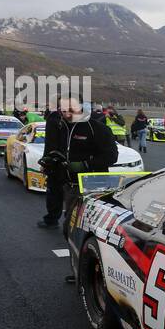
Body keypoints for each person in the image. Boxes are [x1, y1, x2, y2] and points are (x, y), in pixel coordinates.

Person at [37, 98, 119, 239]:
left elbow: (111, 157)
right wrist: (48, 162)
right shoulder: (57, 124)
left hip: (90, 183)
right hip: (65, 179)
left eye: (71, 110)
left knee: (78, 229)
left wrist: (84, 165)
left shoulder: (97, 128)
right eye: (63, 110)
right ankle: (54, 221)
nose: (67, 114)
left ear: (81, 107)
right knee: (69, 229)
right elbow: (52, 146)